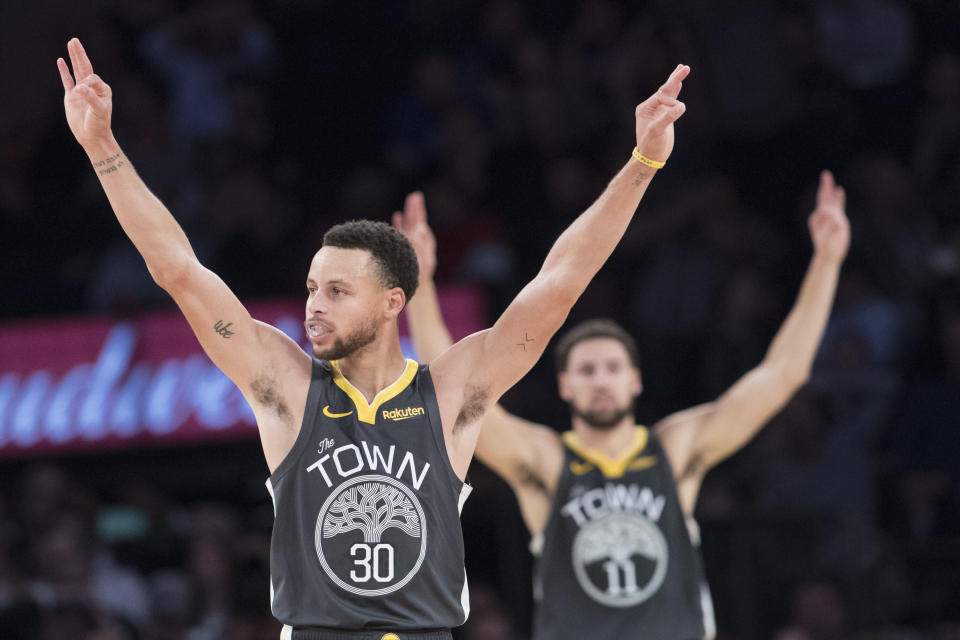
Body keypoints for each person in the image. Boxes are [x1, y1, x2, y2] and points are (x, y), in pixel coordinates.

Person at [57, 38, 690, 640]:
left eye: (337, 291)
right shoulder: (286, 384)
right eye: (310, 288)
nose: (313, 307)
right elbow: (179, 271)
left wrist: (643, 164)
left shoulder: (448, 392)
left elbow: (561, 281)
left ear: (393, 304)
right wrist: (103, 148)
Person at [397, 170, 850, 639]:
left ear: (635, 381)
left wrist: (827, 262)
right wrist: (423, 284)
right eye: (587, 371)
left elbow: (783, 374)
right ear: (565, 386)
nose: (601, 380)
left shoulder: (674, 450)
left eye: (612, 368)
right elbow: (457, 394)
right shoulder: (549, 462)